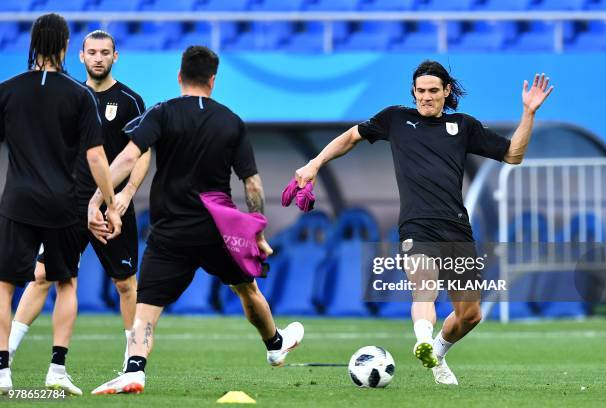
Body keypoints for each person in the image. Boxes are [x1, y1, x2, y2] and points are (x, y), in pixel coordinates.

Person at [292, 60, 553, 385]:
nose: (426, 97)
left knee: (470, 315)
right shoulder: (396, 119)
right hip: (417, 226)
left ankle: (438, 353)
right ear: (413, 93)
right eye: (420, 91)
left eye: (433, 91)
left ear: (446, 92)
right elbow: (351, 136)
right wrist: (314, 164)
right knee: (424, 287)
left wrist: (528, 114)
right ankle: (423, 340)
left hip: (457, 229)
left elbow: (513, 155)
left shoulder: (463, 126)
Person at [90, 45, 304, 395]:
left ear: (179, 77)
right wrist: (258, 230)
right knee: (247, 289)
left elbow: (129, 158)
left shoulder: (161, 113)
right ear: (213, 80)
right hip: (217, 231)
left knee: (147, 307)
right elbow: (251, 182)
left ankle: (135, 370)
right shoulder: (231, 120)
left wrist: (99, 199)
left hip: (170, 231)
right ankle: (275, 344)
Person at [7, 30, 149, 386]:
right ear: (80, 56)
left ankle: (131, 364)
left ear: (116, 56)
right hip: (69, 205)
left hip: (112, 207)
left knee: (125, 284)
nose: (98, 58)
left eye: (105, 52)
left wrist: (127, 194)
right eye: (92, 52)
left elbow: (142, 153)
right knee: (44, 277)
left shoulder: (130, 101)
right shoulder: (70, 95)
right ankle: (6, 352)